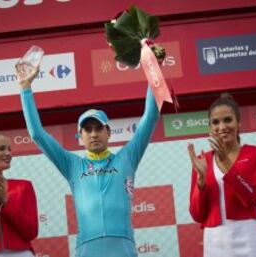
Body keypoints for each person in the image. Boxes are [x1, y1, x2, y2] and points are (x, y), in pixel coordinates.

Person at [16, 66, 160, 257]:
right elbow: (37, 135)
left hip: (123, 247)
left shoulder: (127, 158)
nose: (93, 134)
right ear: (80, 136)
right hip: (87, 248)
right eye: (87, 129)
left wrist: (153, 68)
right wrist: (25, 88)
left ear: (108, 132)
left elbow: (151, 116)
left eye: (98, 128)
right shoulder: (72, 165)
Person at [187, 93, 256, 257]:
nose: (222, 126)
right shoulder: (201, 161)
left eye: (228, 120)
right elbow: (197, 215)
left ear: (238, 123)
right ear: (210, 127)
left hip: (250, 238)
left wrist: (226, 163)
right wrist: (201, 182)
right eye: (215, 122)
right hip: (215, 242)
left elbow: (251, 198)